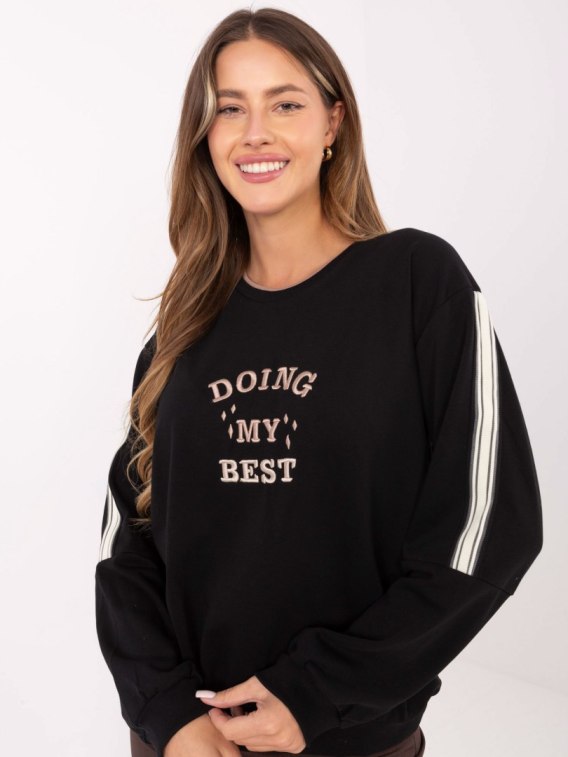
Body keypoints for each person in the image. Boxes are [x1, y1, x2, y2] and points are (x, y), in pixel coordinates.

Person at [94, 7, 543, 757]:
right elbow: (126, 548)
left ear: (333, 122)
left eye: (286, 104)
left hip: (345, 738)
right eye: (229, 108)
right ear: (205, 135)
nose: (255, 132)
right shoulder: (185, 325)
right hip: (186, 741)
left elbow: (489, 527)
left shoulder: (416, 282)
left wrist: (318, 691)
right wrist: (168, 713)